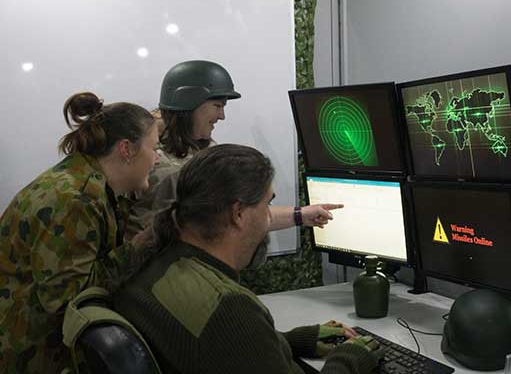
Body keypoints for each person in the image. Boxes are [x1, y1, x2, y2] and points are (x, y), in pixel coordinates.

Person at [114, 144, 382, 373]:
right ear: (238, 213)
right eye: (266, 205)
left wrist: (285, 341)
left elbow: (212, 347)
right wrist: (349, 359)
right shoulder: (229, 307)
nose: (268, 217)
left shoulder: (153, 261)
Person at [0, 92, 159, 374]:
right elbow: (67, 300)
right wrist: (139, 247)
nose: (157, 159)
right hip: (25, 355)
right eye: (153, 148)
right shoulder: (76, 201)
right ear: (127, 149)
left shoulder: (83, 180)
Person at [126, 60, 341, 241]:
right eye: (218, 106)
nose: (221, 116)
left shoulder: (197, 148)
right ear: (190, 105)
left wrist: (301, 215)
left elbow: (241, 214)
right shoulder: (164, 170)